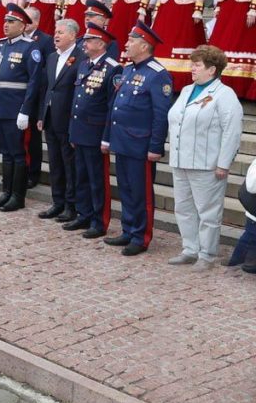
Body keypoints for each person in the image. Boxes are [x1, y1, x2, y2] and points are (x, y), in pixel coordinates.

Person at [166, 45, 243, 269]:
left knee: (208, 212)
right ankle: (190, 248)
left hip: (206, 163)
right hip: (181, 159)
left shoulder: (224, 94)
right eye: (193, 64)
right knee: (183, 207)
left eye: (197, 65)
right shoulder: (188, 90)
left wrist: (224, 163)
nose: (192, 69)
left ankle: (207, 254)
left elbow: (232, 131)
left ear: (212, 70)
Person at [102, 22, 173, 256]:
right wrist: (109, 137)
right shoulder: (129, 69)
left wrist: (155, 146)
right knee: (126, 188)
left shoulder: (157, 74)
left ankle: (141, 236)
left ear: (144, 45)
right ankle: (128, 229)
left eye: (131, 41)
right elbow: (115, 106)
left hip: (141, 145)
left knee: (141, 192)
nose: (126, 44)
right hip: (123, 141)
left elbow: (160, 115)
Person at [0, 4, 43, 212]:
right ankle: (6, 192)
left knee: (18, 154)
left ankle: (18, 196)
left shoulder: (30, 47)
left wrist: (26, 110)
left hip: (16, 109)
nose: (6, 25)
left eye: (11, 22)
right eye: (5, 21)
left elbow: (34, 82)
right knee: (6, 153)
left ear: (23, 25)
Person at [64, 24, 121, 238]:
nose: (84, 44)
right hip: (79, 130)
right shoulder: (84, 64)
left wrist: (106, 138)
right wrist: (72, 131)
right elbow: (77, 100)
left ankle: (99, 221)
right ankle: (84, 214)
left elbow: (111, 107)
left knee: (98, 180)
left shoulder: (113, 68)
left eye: (88, 40)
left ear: (101, 43)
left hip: (96, 133)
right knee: (82, 177)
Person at [36, 19, 83, 222]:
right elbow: (47, 88)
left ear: (73, 35)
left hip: (67, 118)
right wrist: (40, 115)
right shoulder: (53, 57)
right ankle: (58, 201)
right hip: (50, 117)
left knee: (69, 164)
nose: (56, 35)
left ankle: (71, 205)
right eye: (55, 32)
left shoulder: (80, 58)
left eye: (61, 32)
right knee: (55, 163)